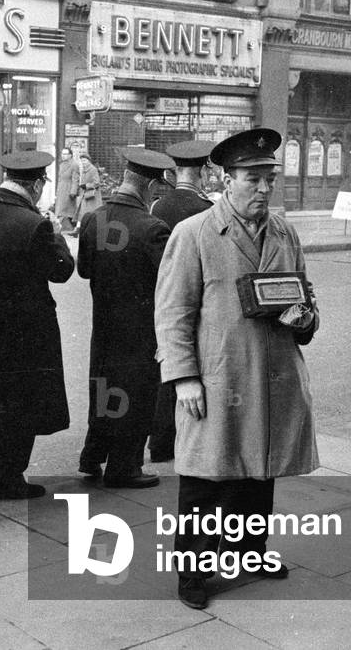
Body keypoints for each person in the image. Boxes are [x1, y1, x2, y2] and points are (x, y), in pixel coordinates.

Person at [154, 128, 320, 609]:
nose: (264, 188)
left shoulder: (286, 233)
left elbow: (304, 298)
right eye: (254, 178)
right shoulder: (195, 234)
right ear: (227, 180)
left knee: (259, 475)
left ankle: (251, 553)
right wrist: (184, 377)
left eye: (271, 178)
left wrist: (305, 318)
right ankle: (193, 574)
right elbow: (172, 313)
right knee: (208, 481)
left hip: (274, 376)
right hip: (219, 378)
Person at [0, 151, 75, 499]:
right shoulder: (34, 224)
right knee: (22, 401)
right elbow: (61, 270)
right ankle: (7, 478)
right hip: (27, 323)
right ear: (37, 184)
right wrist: (55, 233)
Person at [77, 147, 174, 488]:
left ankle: (92, 455)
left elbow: (85, 270)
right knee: (136, 394)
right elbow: (169, 282)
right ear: (149, 187)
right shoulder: (152, 228)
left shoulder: (93, 218)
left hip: (103, 326)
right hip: (139, 330)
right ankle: (125, 467)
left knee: (104, 389)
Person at [147, 140, 216, 463]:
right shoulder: (208, 209)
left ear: (174, 172)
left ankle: (159, 444)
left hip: (163, 298)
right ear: (202, 171)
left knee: (167, 367)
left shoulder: (158, 206)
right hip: (196, 299)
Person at [54, 147, 80, 235]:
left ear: (70, 155)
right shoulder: (62, 164)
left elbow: (75, 179)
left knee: (64, 211)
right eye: (62, 154)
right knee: (66, 211)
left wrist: (73, 191)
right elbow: (60, 179)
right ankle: (76, 228)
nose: (63, 156)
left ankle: (57, 230)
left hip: (68, 190)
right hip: (61, 189)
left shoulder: (74, 164)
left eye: (65, 154)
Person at [75, 152, 103, 223]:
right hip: (86, 195)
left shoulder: (93, 169)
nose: (83, 162)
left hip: (92, 196)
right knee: (84, 213)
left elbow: (97, 183)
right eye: (81, 161)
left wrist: (86, 186)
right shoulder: (84, 169)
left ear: (88, 161)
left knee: (90, 214)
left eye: (84, 160)